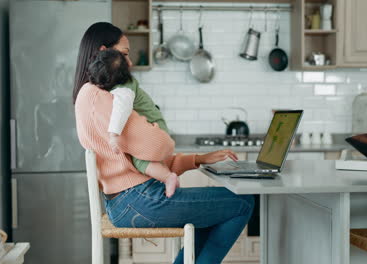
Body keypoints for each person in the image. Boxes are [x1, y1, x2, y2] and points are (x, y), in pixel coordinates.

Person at [73, 22, 254, 264]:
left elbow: (144, 159)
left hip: (132, 199)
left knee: (216, 210)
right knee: (242, 203)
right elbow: (160, 146)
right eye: (125, 54)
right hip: (137, 200)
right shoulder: (102, 98)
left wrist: (197, 159)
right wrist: (156, 129)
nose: (130, 63)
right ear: (104, 52)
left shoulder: (95, 95)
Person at [87, 49, 179, 197]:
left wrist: (114, 134)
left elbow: (121, 109)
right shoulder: (124, 82)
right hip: (155, 124)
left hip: (155, 126)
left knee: (139, 160)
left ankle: (168, 177)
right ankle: (166, 177)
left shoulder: (124, 89)